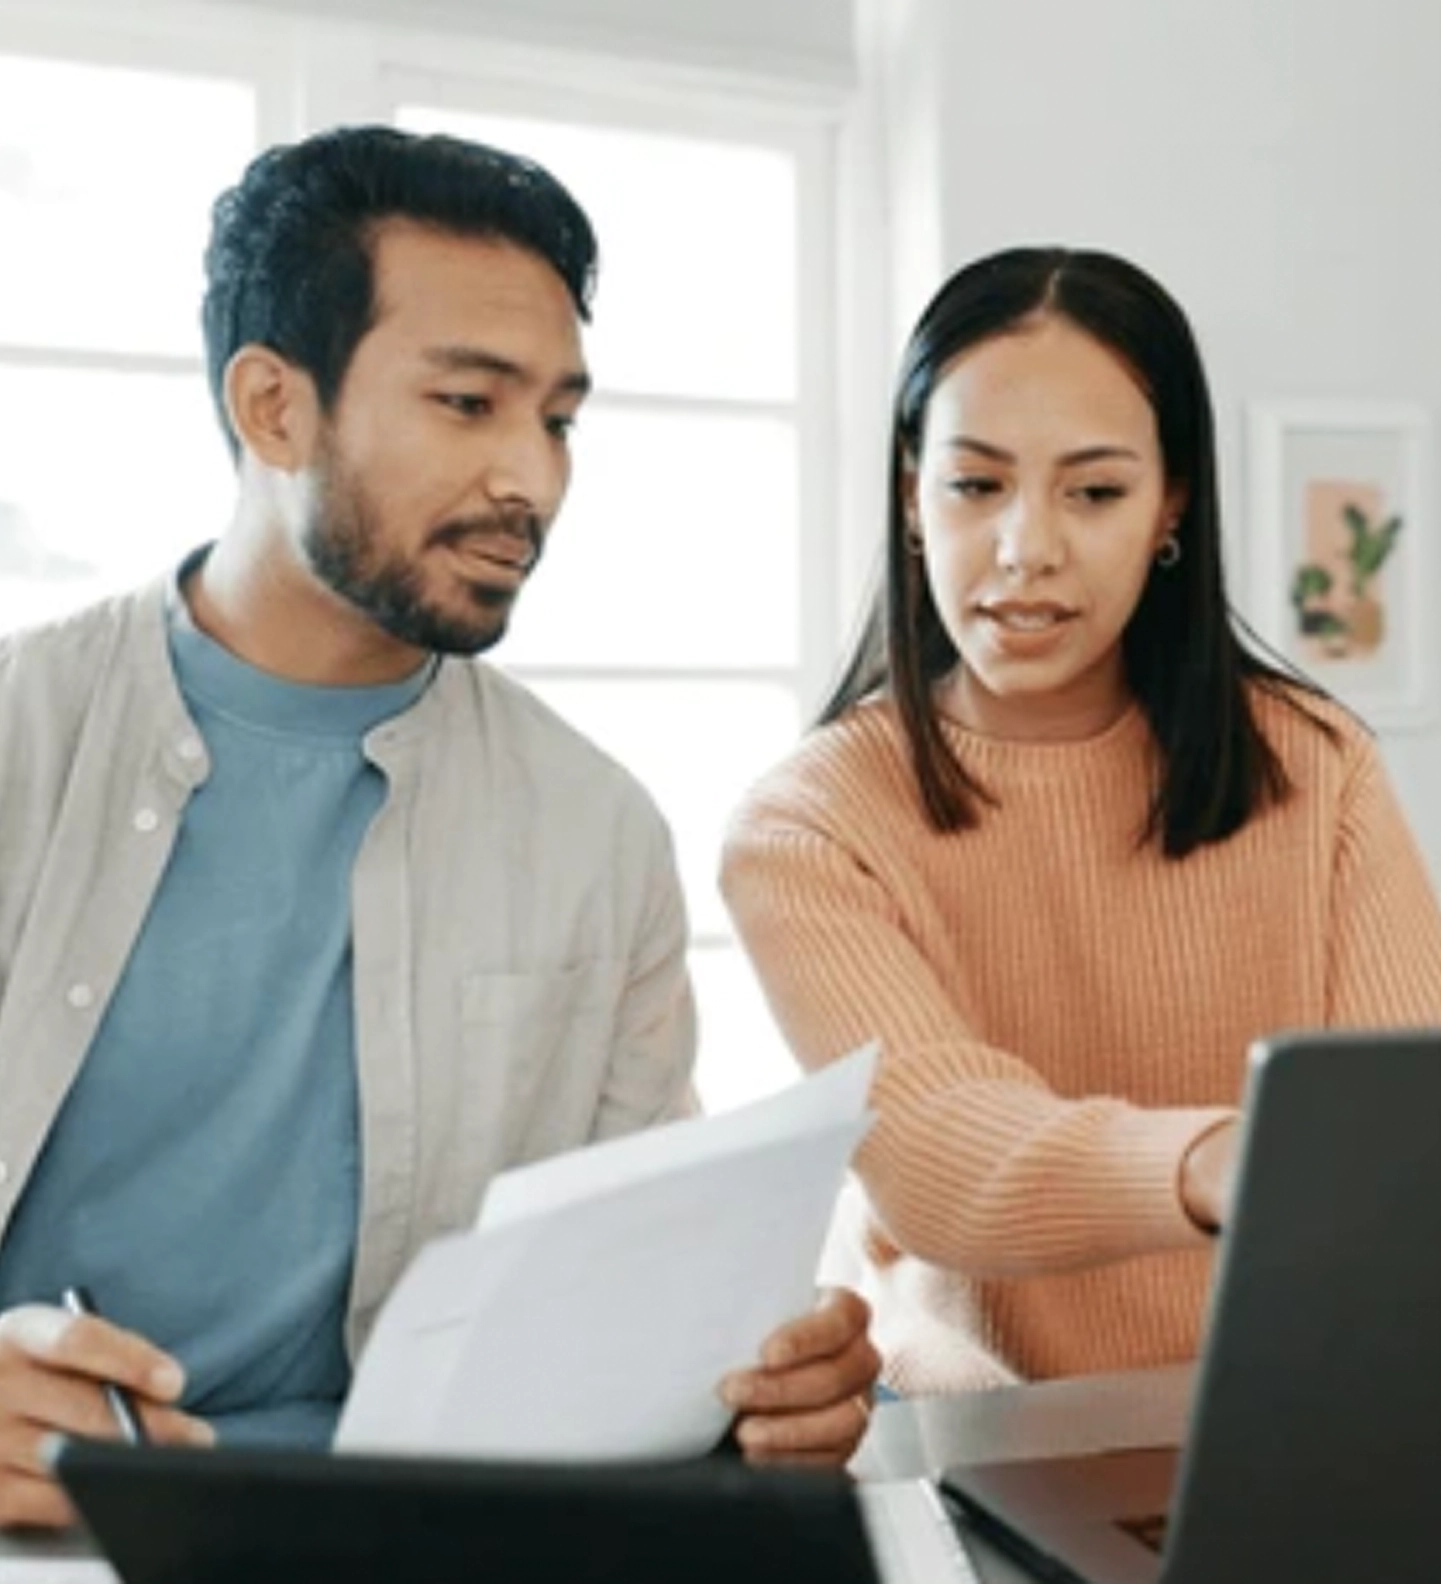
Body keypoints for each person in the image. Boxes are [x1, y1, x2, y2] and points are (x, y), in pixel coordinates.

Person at [0, 125, 878, 1531]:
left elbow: (638, 1291)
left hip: (433, 1540)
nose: (532, 479)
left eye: (560, 418)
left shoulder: (596, 832)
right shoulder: (21, 742)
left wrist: (762, 1384)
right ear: (276, 409)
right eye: (470, 404)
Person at [720, 245, 1441, 1396]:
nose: (1026, 549)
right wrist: (1220, 1159)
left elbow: (1388, 1147)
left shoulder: (1320, 769)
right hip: (975, 1444)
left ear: (1172, 506)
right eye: (975, 485)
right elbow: (938, 1159)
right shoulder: (809, 824)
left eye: (1095, 491)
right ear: (913, 496)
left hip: (1296, 1414)